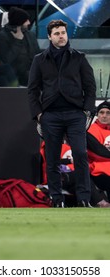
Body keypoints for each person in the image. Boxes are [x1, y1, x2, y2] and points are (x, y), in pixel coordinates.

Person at [28, 19, 96, 208]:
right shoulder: (39, 60)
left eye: (63, 33)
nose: (61, 36)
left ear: (67, 34)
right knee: (52, 159)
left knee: (81, 154)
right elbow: (32, 90)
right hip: (50, 116)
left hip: (75, 113)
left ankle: (84, 199)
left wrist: (87, 110)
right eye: (57, 33)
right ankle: (57, 199)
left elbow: (90, 86)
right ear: (50, 36)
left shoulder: (79, 58)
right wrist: (39, 114)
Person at [40, 140, 110, 207]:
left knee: (95, 177)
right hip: (62, 176)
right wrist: (69, 161)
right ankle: (100, 202)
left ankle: (102, 201)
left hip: (76, 175)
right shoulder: (50, 144)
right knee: (81, 175)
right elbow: (52, 162)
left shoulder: (77, 145)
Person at [0, 6, 40, 87]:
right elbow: (7, 60)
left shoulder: (30, 34)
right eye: (26, 20)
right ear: (19, 21)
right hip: (14, 77)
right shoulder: (3, 36)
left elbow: (37, 54)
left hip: (33, 74)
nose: (29, 23)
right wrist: (17, 41)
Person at [87, 100, 110, 202]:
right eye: (101, 112)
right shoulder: (91, 130)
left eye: (108, 113)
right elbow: (96, 153)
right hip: (98, 171)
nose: (104, 116)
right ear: (97, 115)